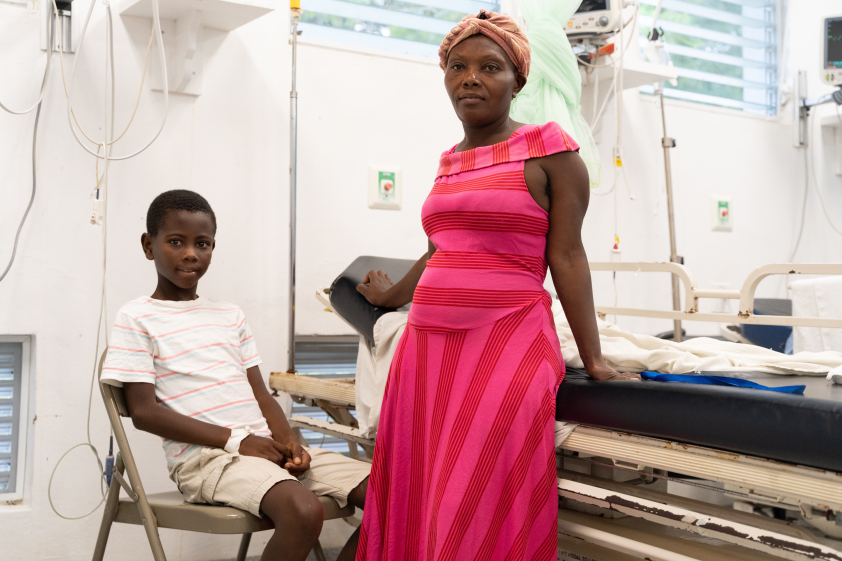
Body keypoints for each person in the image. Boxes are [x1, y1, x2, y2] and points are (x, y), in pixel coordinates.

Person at [354, 10, 637, 561]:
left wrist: (592, 357)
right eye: (458, 67)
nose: (471, 79)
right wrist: (392, 298)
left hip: (506, 342)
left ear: (518, 80)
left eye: (490, 67)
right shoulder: (450, 161)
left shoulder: (549, 149)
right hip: (426, 349)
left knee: (477, 492)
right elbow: (442, 247)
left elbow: (569, 256)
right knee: (424, 492)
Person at [100, 190, 370, 561]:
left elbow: (260, 394)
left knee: (391, 496)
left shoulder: (229, 315)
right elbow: (145, 413)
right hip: (207, 460)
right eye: (176, 242)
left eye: (203, 243)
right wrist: (236, 442)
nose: (191, 253)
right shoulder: (137, 317)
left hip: (264, 450)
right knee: (304, 510)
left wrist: (290, 441)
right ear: (149, 245)